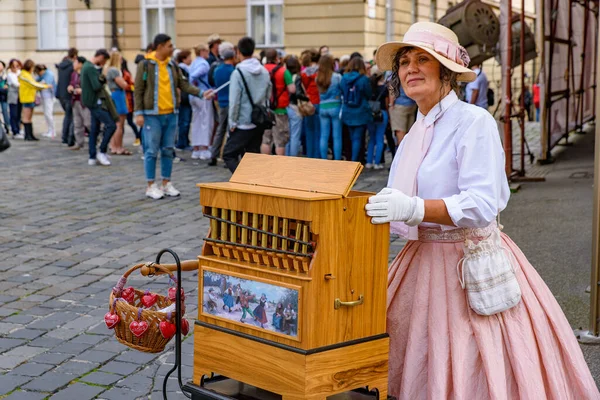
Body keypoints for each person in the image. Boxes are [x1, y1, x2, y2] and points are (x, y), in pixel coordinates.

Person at [367, 21, 600, 399]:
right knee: (420, 359)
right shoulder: (416, 131)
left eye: (422, 59)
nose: (410, 68)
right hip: (422, 258)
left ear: (446, 71)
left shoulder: (473, 122)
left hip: (468, 262)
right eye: (404, 61)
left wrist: (411, 206)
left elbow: (481, 203)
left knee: (476, 360)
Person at [134, 33, 205, 200]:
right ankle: (151, 185)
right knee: (151, 151)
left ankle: (166, 183)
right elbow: (138, 89)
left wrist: (201, 93)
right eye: (169, 46)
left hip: (171, 114)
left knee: (168, 150)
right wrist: (138, 113)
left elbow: (183, 84)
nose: (172, 49)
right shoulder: (146, 65)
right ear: (160, 47)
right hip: (152, 114)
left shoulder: (172, 65)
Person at [220, 36, 271, 173]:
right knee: (252, 156)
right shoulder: (264, 71)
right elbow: (268, 95)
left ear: (239, 53)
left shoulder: (238, 73)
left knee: (228, 154)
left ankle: (242, 180)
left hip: (243, 121)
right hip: (258, 120)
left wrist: (232, 122)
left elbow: (235, 100)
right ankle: (251, 183)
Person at [80, 48, 115, 166]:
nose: (104, 63)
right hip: (95, 102)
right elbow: (96, 86)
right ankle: (102, 151)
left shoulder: (87, 66)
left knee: (94, 129)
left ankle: (92, 156)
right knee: (111, 125)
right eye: (104, 61)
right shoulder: (90, 68)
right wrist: (103, 77)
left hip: (91, 102)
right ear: (100, 57)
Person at [261, 48, 295, 156]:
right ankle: (279, 164)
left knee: (266, 138)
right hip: (280, 109)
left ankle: (265, 162)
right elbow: (292, 89)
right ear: (277, 58)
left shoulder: (261, 70)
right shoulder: (283, 71)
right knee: (280, 140)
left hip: (265, 108)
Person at [209, 42, 236, 166]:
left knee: (220, 129)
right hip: (231, 102)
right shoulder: (234, 71)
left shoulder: (217, 69)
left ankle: (213, 154)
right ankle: (228, 156)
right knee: (231, 131)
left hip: (220, 101)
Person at [340, 57, 372, 161]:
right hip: (361, 111)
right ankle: (354, 161)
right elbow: (368, 94)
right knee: (357, 138)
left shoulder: (344, 78)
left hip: (348, 110)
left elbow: (342, 92)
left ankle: (351, 160)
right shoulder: (364, 79)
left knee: (351, 136)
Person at [189, 44, 214, 160]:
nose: (208, 53)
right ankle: (204, 149)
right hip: (203, 95)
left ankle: (196, 149)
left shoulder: (194, 62)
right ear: (202, 51)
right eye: (207, 51)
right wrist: (194, 82)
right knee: (205, 122)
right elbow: (193, 76)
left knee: (196, 122)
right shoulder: (204, 64)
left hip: (193, 96)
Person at [105, 51, 132, 156]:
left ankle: (113, 146)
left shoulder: (108, 70)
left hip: (113, 95)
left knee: (114, 123)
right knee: (119, 124)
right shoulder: (115, 71)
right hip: (118, 95)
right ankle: (118, 147)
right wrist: (126, 82)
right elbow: (123, 84)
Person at [316, 54, 342, 160]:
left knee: (324, 135)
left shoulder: (318, 78)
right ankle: (337, 160)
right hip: (335, 106)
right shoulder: (337, 77)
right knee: (337, 136)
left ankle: (323, 159)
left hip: (323, 107)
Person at [18, 60, 49, 141]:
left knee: (29, 117)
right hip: (26, 98)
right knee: (26, 117)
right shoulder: (24, 75)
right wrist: (45, 86)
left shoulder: (27, 74)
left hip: (30, 98)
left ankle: (30, 134)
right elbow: (33, 84)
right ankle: (27, 135)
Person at [366, 68, 389, 169]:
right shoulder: (384, 88)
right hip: (381, 113)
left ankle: (369, 161)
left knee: (372, 139)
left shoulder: (369, 87)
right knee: (380, 139)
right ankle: (377, 162)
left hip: (370, 114)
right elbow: (387, 103)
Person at [67, 56, 91, 151]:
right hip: (75, 100)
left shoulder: (86, 73)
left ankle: (97, 140)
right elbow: (72, 83)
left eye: (75, 63)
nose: (73, 64)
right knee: (77, 123)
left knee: (88, 123)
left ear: (81, 64)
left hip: (84, 101)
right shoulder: (74, 74)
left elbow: (91, 87)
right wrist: (70, 87)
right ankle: (79, 143)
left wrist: (83, 90)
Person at [300, 49, 320, 158]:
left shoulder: (304, 73)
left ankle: (310, 155)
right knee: (318, 132)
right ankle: (317, 156)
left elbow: (305, 87)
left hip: (308, 103)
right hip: (319, 101)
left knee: (309, 131)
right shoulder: (322, 72)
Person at [284, 55, 305, 157]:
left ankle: (286, 156)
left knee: (287, 135)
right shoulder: (297, 77)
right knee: (295, 135)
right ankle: (293, 158)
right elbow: (297, 93)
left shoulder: (283, 75)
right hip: (294, 106)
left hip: (284, 106)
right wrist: (307, 98)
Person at [56, 48, 78, 145]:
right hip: (68, 94)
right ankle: (70, 138)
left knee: (67, 116)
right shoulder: (72, 66)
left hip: (60, 94)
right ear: (75, 56)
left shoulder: (61, 65)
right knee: (71, 116)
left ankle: (64, 137)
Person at [175, 49, 193, 152]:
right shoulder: (182, 69)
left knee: (185, 121)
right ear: (184, 59)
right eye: (189, 57)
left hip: (186, 98)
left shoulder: (186, 69)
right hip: (184, 99)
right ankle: (182, 143)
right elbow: (181, 85)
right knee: (184, 122)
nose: (191, 59)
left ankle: (185, 141)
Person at [33, 64, 57, 139]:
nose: (38, 74)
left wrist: (38, 84)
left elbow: (45, 84)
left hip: (49, 97)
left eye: (38, 72)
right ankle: (49, 130)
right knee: (46, 114)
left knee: (49, 114)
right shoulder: (42, 75)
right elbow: (36, 81)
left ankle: (52, 131)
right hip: (44, 96)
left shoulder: (49, 74)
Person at [121, 58, 140, 147]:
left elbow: (132, 86)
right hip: (124, 99)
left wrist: (124, 86)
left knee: (129, 121)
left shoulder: (126, 74)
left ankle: (138, 136)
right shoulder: (123, 73)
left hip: (127, 100)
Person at [7, 59, 22, 138]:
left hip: (20, 96)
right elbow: (16, 84)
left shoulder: (20, 73)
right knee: (14, 114)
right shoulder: (10, 75)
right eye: (13, 66)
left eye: (17, 66)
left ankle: (18, 129)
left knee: (19, 114)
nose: (15, 68)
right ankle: (15, 131)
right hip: (13, 96)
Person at [0, 61, 9, 134]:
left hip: (4, 97)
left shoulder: (6, 76)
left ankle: (7, 127)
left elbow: (7, 87)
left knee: (5, 112)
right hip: (3, 95)